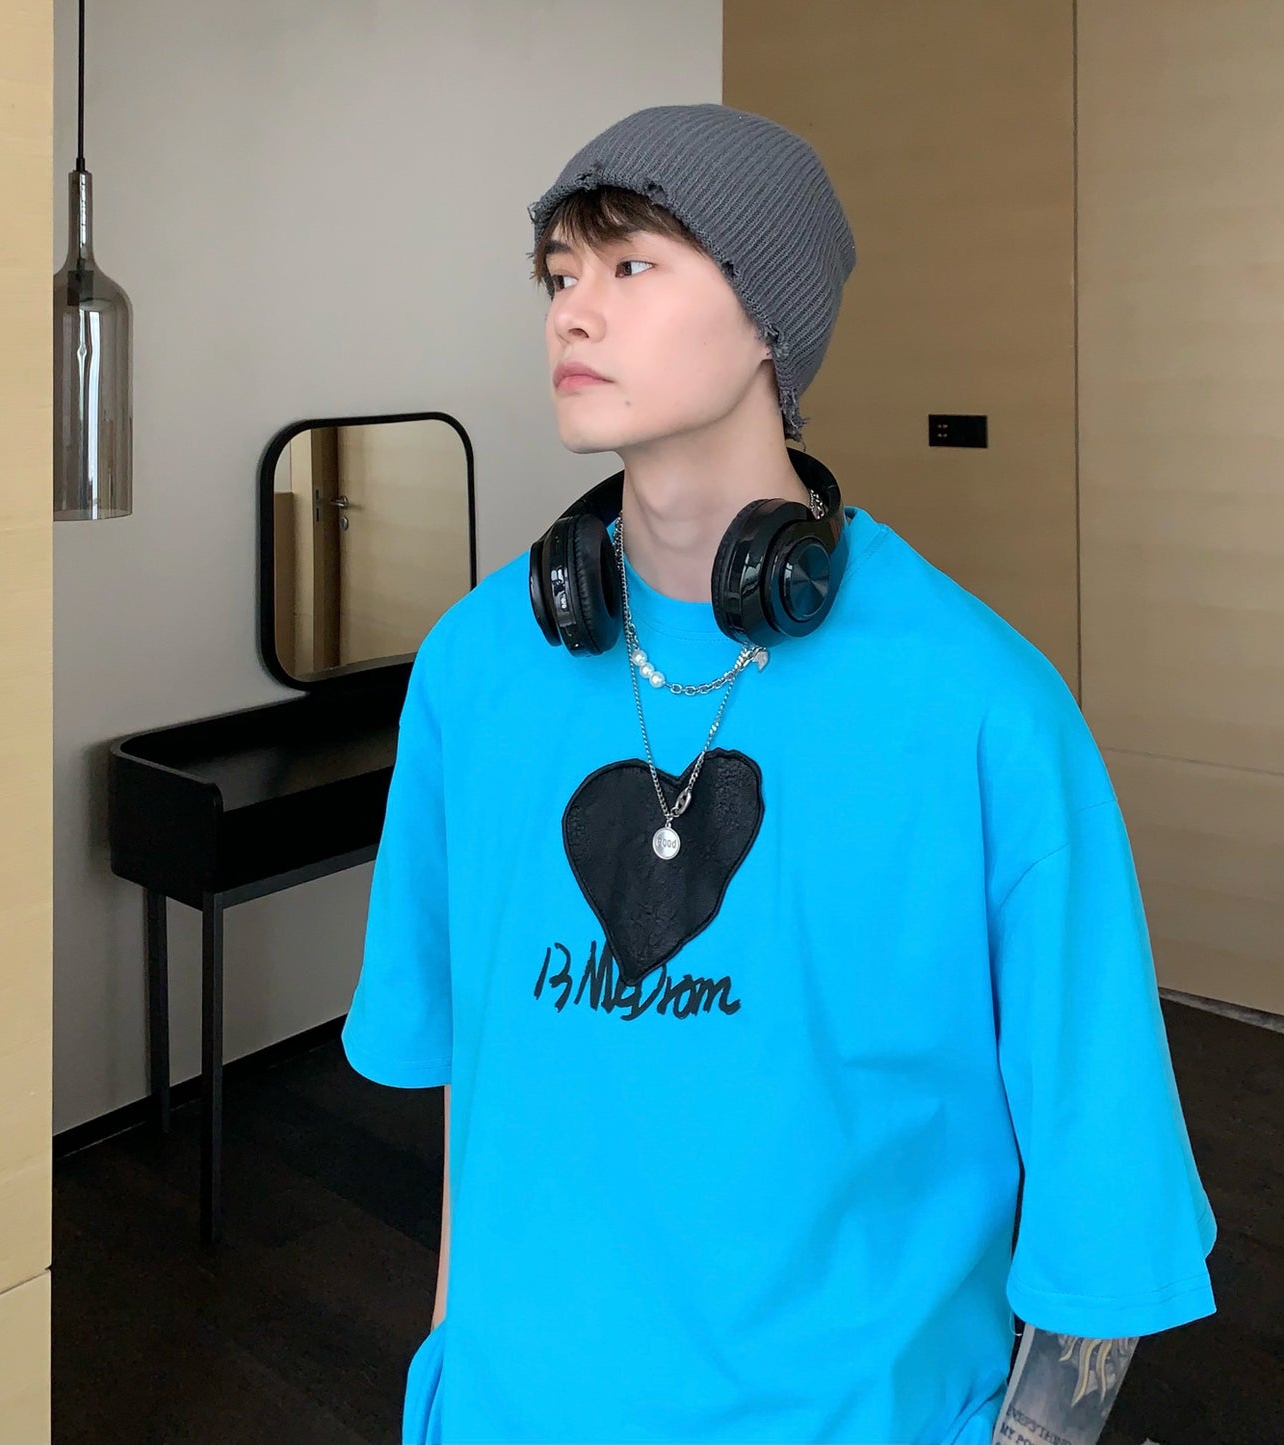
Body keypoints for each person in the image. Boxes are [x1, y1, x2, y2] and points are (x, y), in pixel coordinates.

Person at [342, 103, 1217, 1445]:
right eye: (558, 275)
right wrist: (451, 1367)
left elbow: (1104, 1192)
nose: (573, 311)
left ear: (769, 318)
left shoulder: (982, 707)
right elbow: (478, 1071)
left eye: (630, 264)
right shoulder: (472, 667)